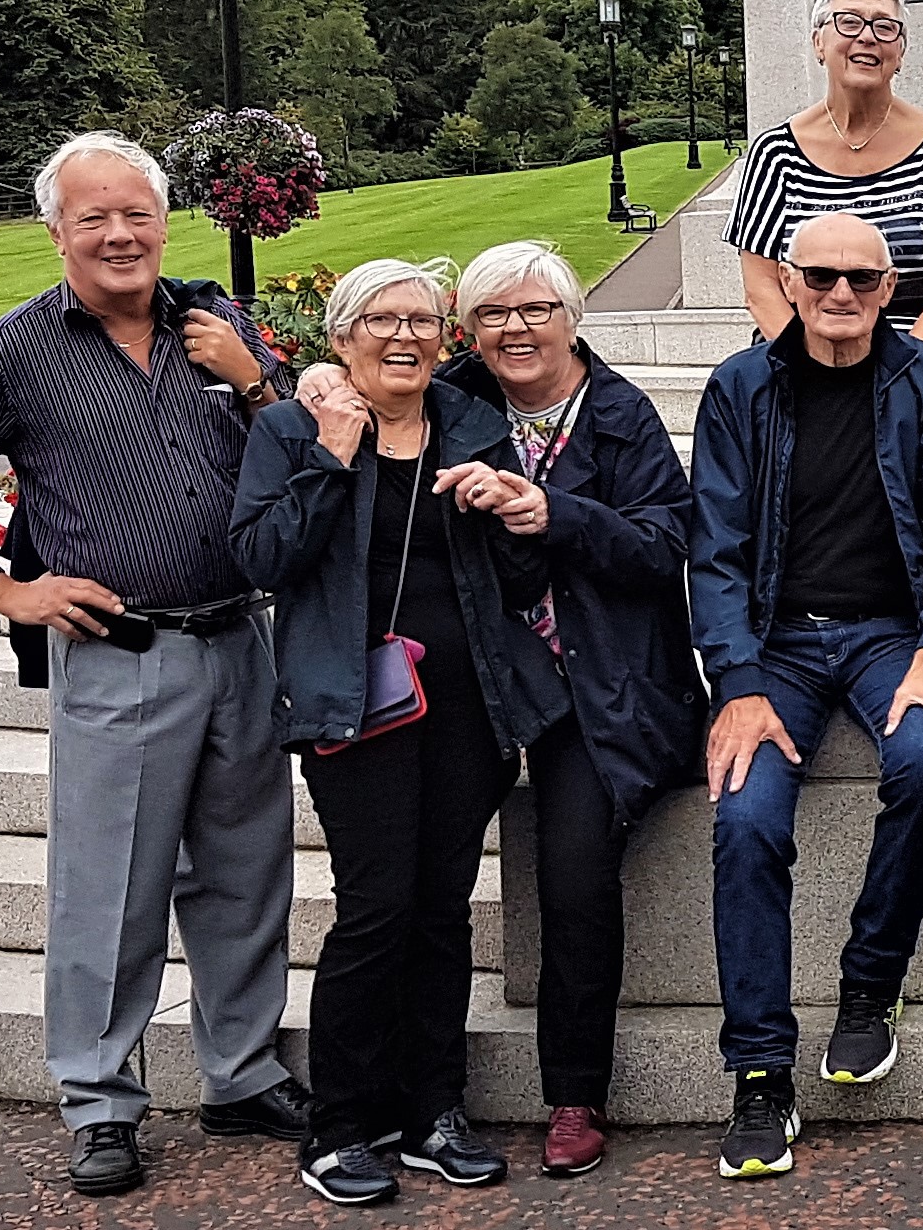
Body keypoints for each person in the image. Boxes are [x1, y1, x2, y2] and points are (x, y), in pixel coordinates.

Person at [0, 132, 308, 1197]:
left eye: (137, 214)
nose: (119, 235)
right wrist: (5, 590)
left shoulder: (216, 324)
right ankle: (100, 1099)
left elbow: (308, 446)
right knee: (107, 891)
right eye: (94, 217)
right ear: (56, 231)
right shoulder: (14, 351)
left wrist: (254, 380)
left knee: (247, 877)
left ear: (165, 224)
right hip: (123, 653)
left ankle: (243, 1073)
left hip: (241, 640)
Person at [296, 240, 702, 1178]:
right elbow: (364, 377)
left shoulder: (618, 414)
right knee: (403, 898)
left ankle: (574, 1096)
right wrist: (321, 378)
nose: (516, 329)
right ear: (467, 332)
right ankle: (382, 1111)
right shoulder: (452, 399)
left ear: (573, 319)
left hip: (592, 687)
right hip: (470, 683)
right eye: (491, 314)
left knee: (573, 877)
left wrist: (555, 513)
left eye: (536, 310)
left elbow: (664, 544)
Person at [231, 258, 559, 1206]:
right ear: (341, 339)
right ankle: (341, 1125)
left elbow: (522, 583)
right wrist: (331, 459)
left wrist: (513, 517)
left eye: (421, 321)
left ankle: (433, 1112)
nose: (405, 337)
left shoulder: (474, 425)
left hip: (469, 702)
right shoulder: (294, 429)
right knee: (376, 907)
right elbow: (261, 557)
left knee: (444, 906)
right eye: (381, 321)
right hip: (353, 703)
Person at [687, 212, 923, 1180]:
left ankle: (871, 984)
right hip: (775, 643)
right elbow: (715, 550)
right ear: (788, 281)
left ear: (891, 288)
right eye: (820, 276)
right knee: (746, 819)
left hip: (890, 635)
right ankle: (760, 1072)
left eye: (862, 279)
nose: (841, 294)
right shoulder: (740, 387)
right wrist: (737, 682)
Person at [727, 0, 923, 394]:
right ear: (819, 42)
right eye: (849, 22)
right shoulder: (775, 154)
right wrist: (813, 369)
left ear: (900, 52)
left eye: (884, 27)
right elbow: (761, 287)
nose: (867, 37)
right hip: (804, 350)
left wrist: (898, 370)